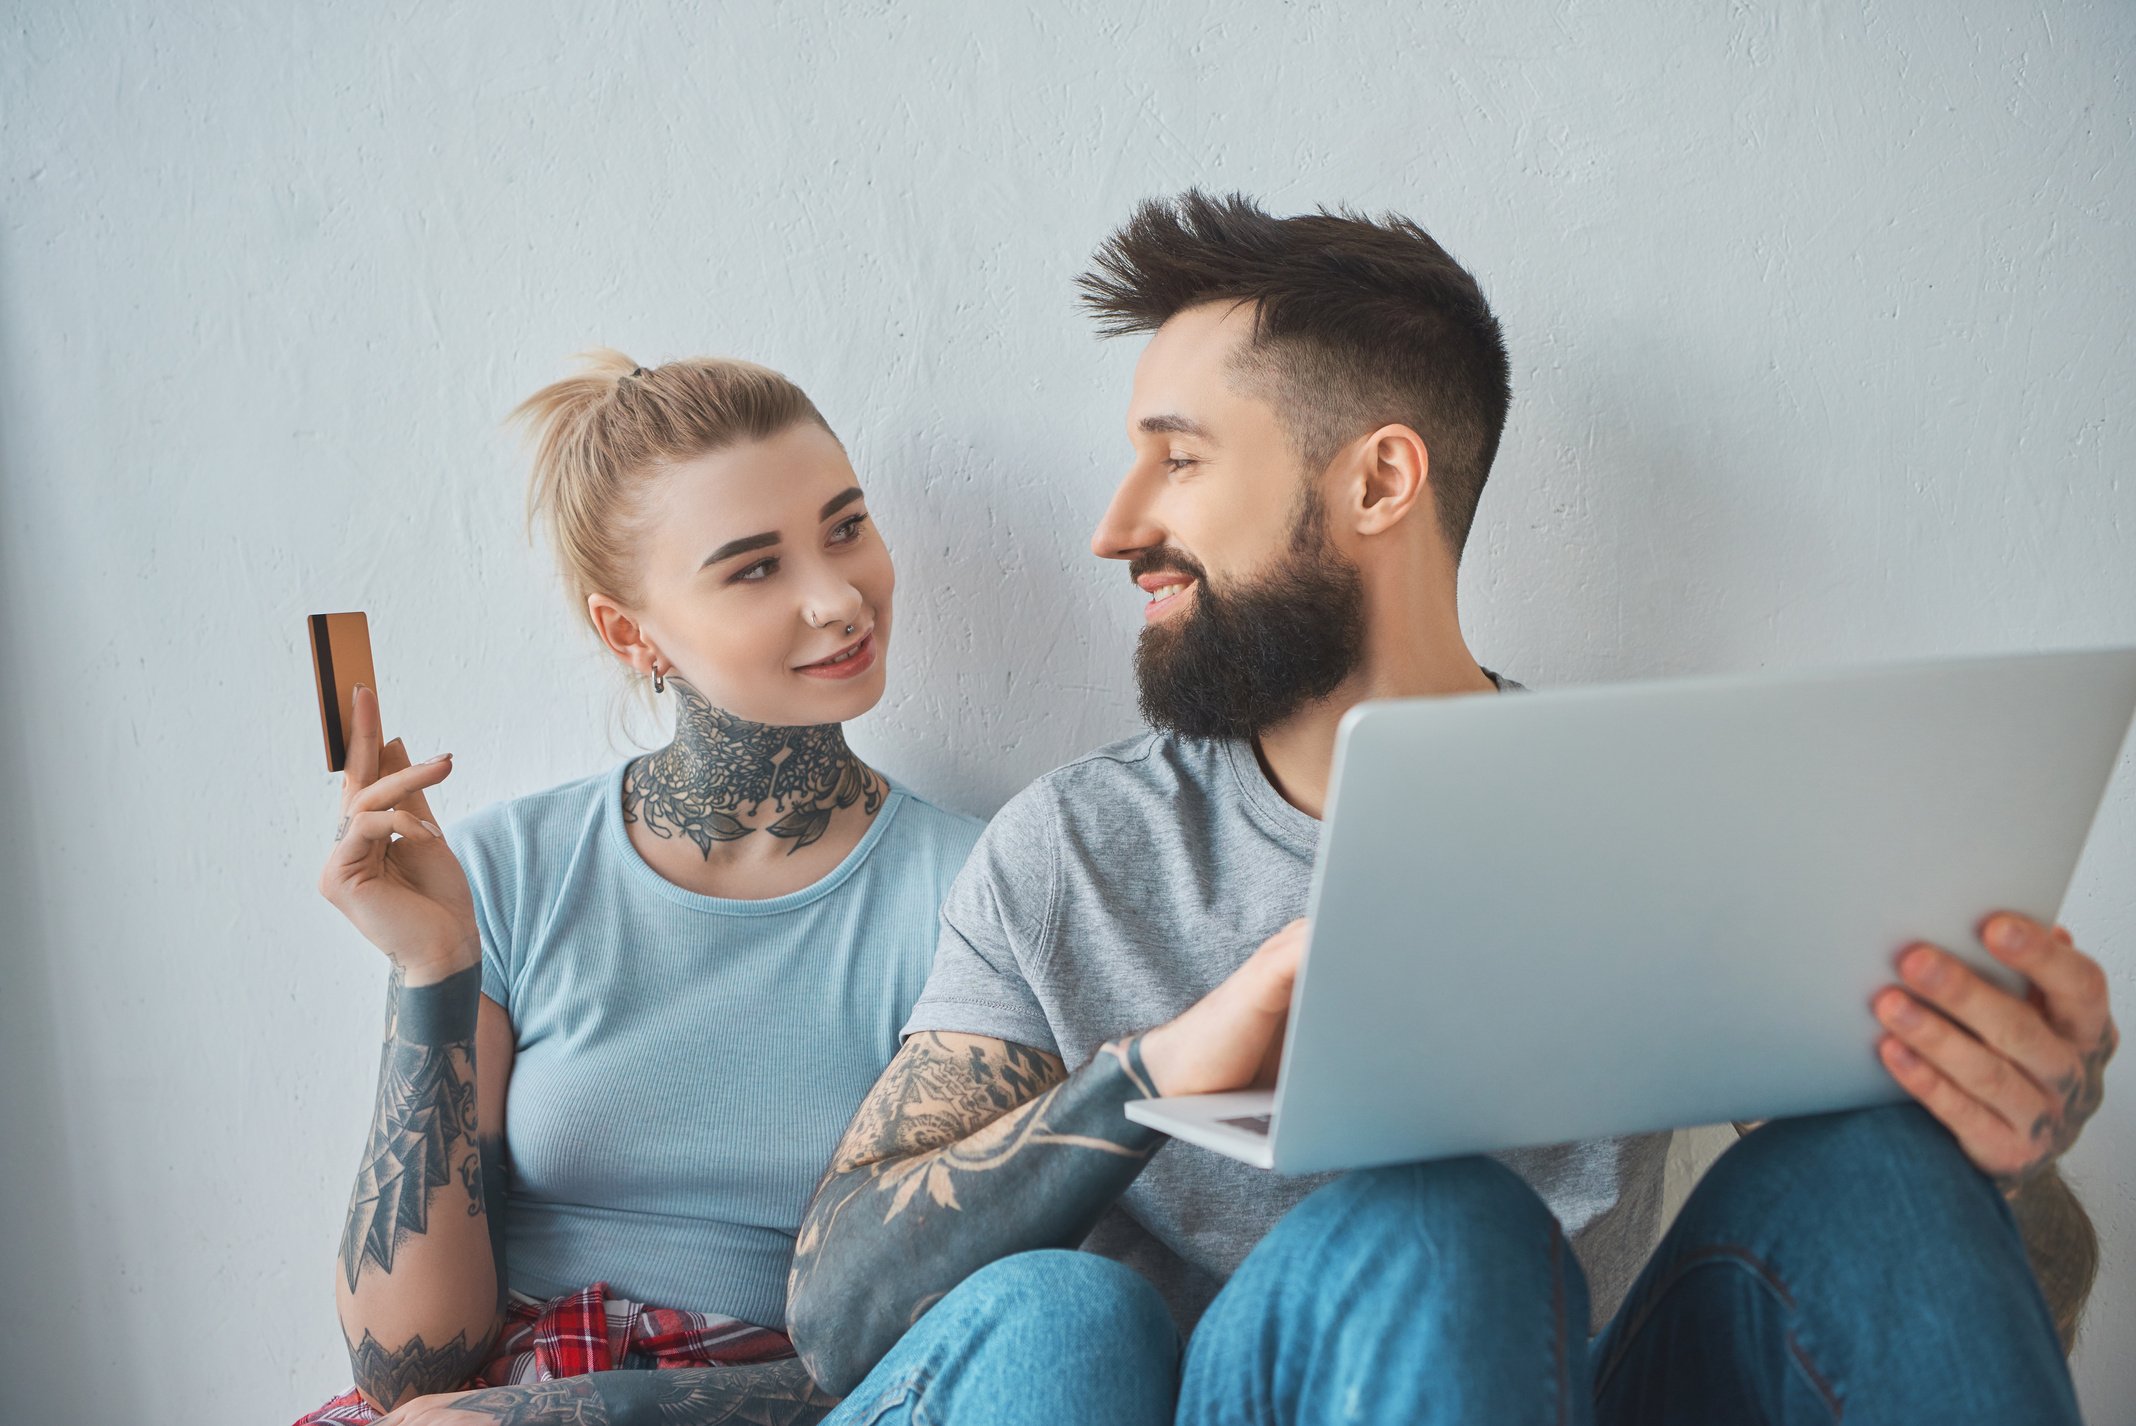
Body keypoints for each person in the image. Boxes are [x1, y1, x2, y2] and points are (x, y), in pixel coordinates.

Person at [784, 192, 2114, 1425]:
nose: (1115, 526)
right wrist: (1156, 1071)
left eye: (1175, 462)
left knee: (1876, 1170)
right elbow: (839, 1317)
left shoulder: (1665, 827)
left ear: (1378, 481)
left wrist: (1991, 1145)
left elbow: (1984, 1287)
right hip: (1198, 1392)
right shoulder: (1076, 849)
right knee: (1417, 1218)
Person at [295, 352, 980, 1425]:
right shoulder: (508, 872)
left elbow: (947, 1341)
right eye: (756, 568)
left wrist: (583, 1418)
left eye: (846, 528)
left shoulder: (971, 893)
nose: (840, 598)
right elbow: (405, 1369)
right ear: (631, 632)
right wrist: (432, 968)